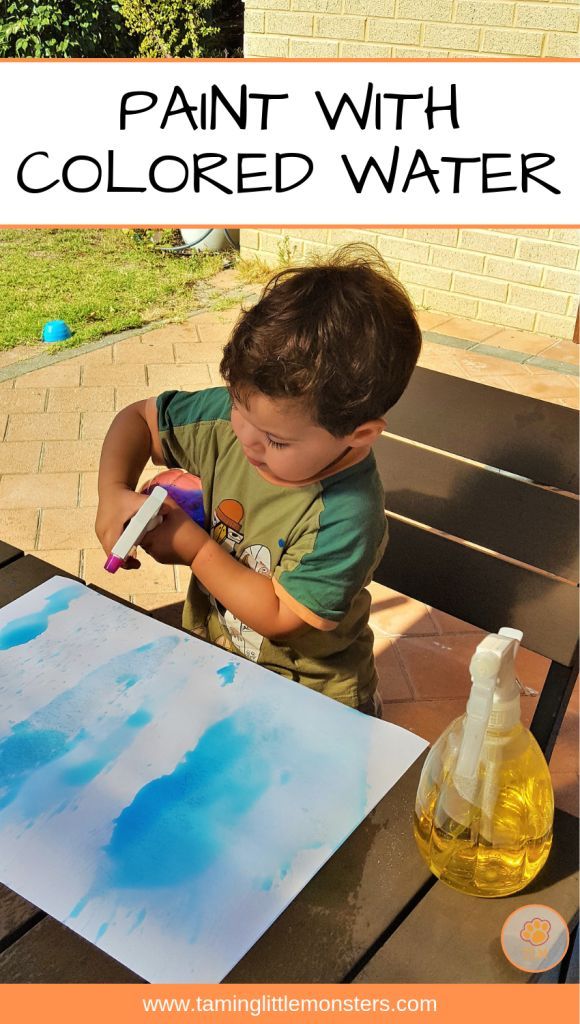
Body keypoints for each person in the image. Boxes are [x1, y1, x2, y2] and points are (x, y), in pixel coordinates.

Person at [96, 244, 422, 714]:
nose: (246, 439)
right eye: (236, 406)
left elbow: (280, 615)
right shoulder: (247, 417)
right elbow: (139, 421)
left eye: (276, 441)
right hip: (216, 663)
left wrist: (194, 547)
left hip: (312, 699)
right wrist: (113, 493)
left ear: (358, 435)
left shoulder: (348, 513)